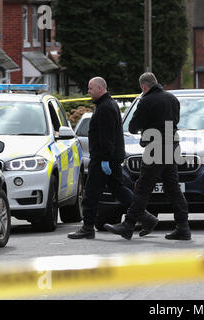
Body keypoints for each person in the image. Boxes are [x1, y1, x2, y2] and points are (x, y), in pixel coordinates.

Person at [68, 77, 158, 239]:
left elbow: (106, 137)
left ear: (100, 89)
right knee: (120, 190)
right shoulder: (107, 105)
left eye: (90, 88)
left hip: (104, 158)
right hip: (109, 158)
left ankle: (88, 228)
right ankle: (146, 218)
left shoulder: (105, 108)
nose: (88, 91)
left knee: (91, 193)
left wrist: (104, 159)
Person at [104, 72, 191, 240]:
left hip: (155, 148)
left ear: (144, 86)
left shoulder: (145, 101)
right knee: (173, 189)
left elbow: (132, 127)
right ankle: (183, 226)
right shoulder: (172, 99)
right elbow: (176, 120)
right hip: (172, 146)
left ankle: (128, 225)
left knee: (142, 187)